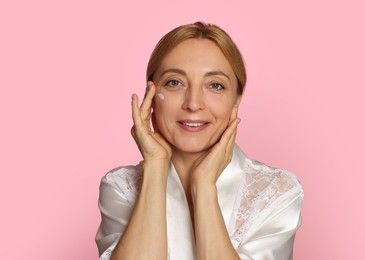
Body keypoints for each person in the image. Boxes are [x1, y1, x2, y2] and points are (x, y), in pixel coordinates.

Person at [95, 21, 303, 260]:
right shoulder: (121, 187)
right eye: (175, 82)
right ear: (150, 95)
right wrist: (155, 165)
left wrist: (204, 186)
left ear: (236, 99)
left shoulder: (277, 191)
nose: (193, 103)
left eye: (215, 85)